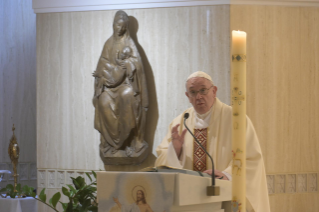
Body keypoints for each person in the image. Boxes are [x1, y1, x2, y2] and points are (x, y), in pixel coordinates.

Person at [155, 71, 270, 212]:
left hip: (224, 199)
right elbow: (161, 161)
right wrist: (175, 151)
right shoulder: (179, 123)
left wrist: (227, 175)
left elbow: (251, 158)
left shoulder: (236, 120)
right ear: (187, 96)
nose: (199, 96)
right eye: (193, 92)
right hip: (189, 203)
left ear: (214, 91)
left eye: (203, 90)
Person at [93, 10, 148, 159]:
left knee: (128, 96)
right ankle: (112, 143)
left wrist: (128, 63)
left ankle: (127, 142)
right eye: (118, 25)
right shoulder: (108, 44)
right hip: (109, 86)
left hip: (125, 85)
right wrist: (103, 77)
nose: (120, 29)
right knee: (103, 100)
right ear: (113, 24)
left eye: (123, 27)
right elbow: (101, 65)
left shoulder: (130, 44)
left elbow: (138, 67)